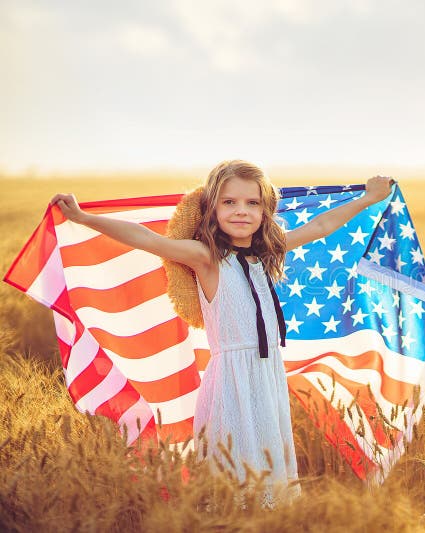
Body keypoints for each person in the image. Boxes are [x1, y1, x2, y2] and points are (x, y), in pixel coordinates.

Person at [50, 160, 394, 508]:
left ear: (265, 210)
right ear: (212, 210)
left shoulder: (267, 253)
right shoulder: (207, 258)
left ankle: (270, 519)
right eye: (229, 202)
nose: (241, 211)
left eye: (252, 203)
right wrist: (83, 218)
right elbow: (146, 239)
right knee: (233, 470)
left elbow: (321, 225)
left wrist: (369, 198)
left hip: (265, 375)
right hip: (231, 381)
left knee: (268, 461)